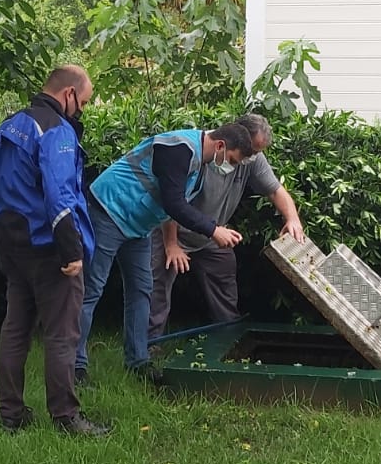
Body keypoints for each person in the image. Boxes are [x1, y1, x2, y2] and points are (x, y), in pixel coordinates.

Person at [75, 122, 256, 386]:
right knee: (91, 290)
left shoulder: (201, 165)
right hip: (109, 211)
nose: (229, 167)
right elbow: (174, 203)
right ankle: (75, 367)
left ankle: (138, 361)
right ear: (220, 145)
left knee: (142, 289)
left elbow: (173, 204)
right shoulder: (178, 148)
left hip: (138, 226)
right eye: (231, 159)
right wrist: (213, 230)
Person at [0, 65, 110, 437]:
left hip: (12, 242)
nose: (82, 111)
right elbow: (59, 195)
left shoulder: (11, 125)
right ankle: (66, 418)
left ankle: (11, 414)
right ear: (68, 94)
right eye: (83, 102)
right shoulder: (56, 131)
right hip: (48, 246)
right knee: (62, 334)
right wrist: (71, 250)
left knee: (16, 328)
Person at [150, 114, 304, 340]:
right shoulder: (201, 151)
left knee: (224, 276)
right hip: (172, 232)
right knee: (157, 291)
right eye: (249, 151)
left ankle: (229, 338)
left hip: (213, 233)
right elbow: (172, 203)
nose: (251, 158)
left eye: (257, 153)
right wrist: (171, 244)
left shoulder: (252, 159)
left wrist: (292, 219)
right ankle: (147, 347)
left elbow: (275, 190)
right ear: (236, 137)